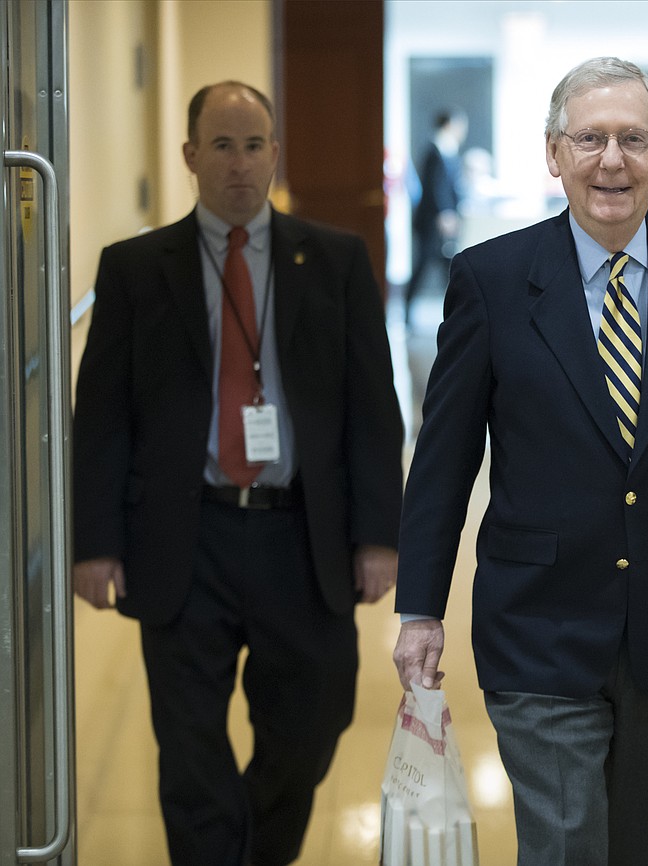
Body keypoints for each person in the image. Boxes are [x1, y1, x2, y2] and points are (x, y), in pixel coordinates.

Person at [392, 57, 648, 866]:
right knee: (568, 841)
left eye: (633, 139)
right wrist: (420, 607)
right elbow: (442, 461)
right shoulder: (494, 279)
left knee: (647, 844)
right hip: (538, 619)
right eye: (590, 139)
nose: (611, 159)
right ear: (554, 153)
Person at [72, 81, 404, 866]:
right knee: (188, 749)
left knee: (313, 725)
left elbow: (371, 408)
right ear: (190, 156)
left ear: (275, 153)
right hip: (184, 536)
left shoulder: (334, 260)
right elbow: (103, 419)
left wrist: (379, 536)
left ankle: (253, 852)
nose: (239, 164)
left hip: (301, 533)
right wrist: (94, 541)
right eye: (221, 145)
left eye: (254, 144)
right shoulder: (134, 269)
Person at [403, 107, 467, 326]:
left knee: (447, 267)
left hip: (442, 220)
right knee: (423, 265)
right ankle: (406, 311)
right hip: (432, 222)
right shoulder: (434, 150)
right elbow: (435, 187)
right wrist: (445, 214)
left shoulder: (449, 149)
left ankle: (456, 313)